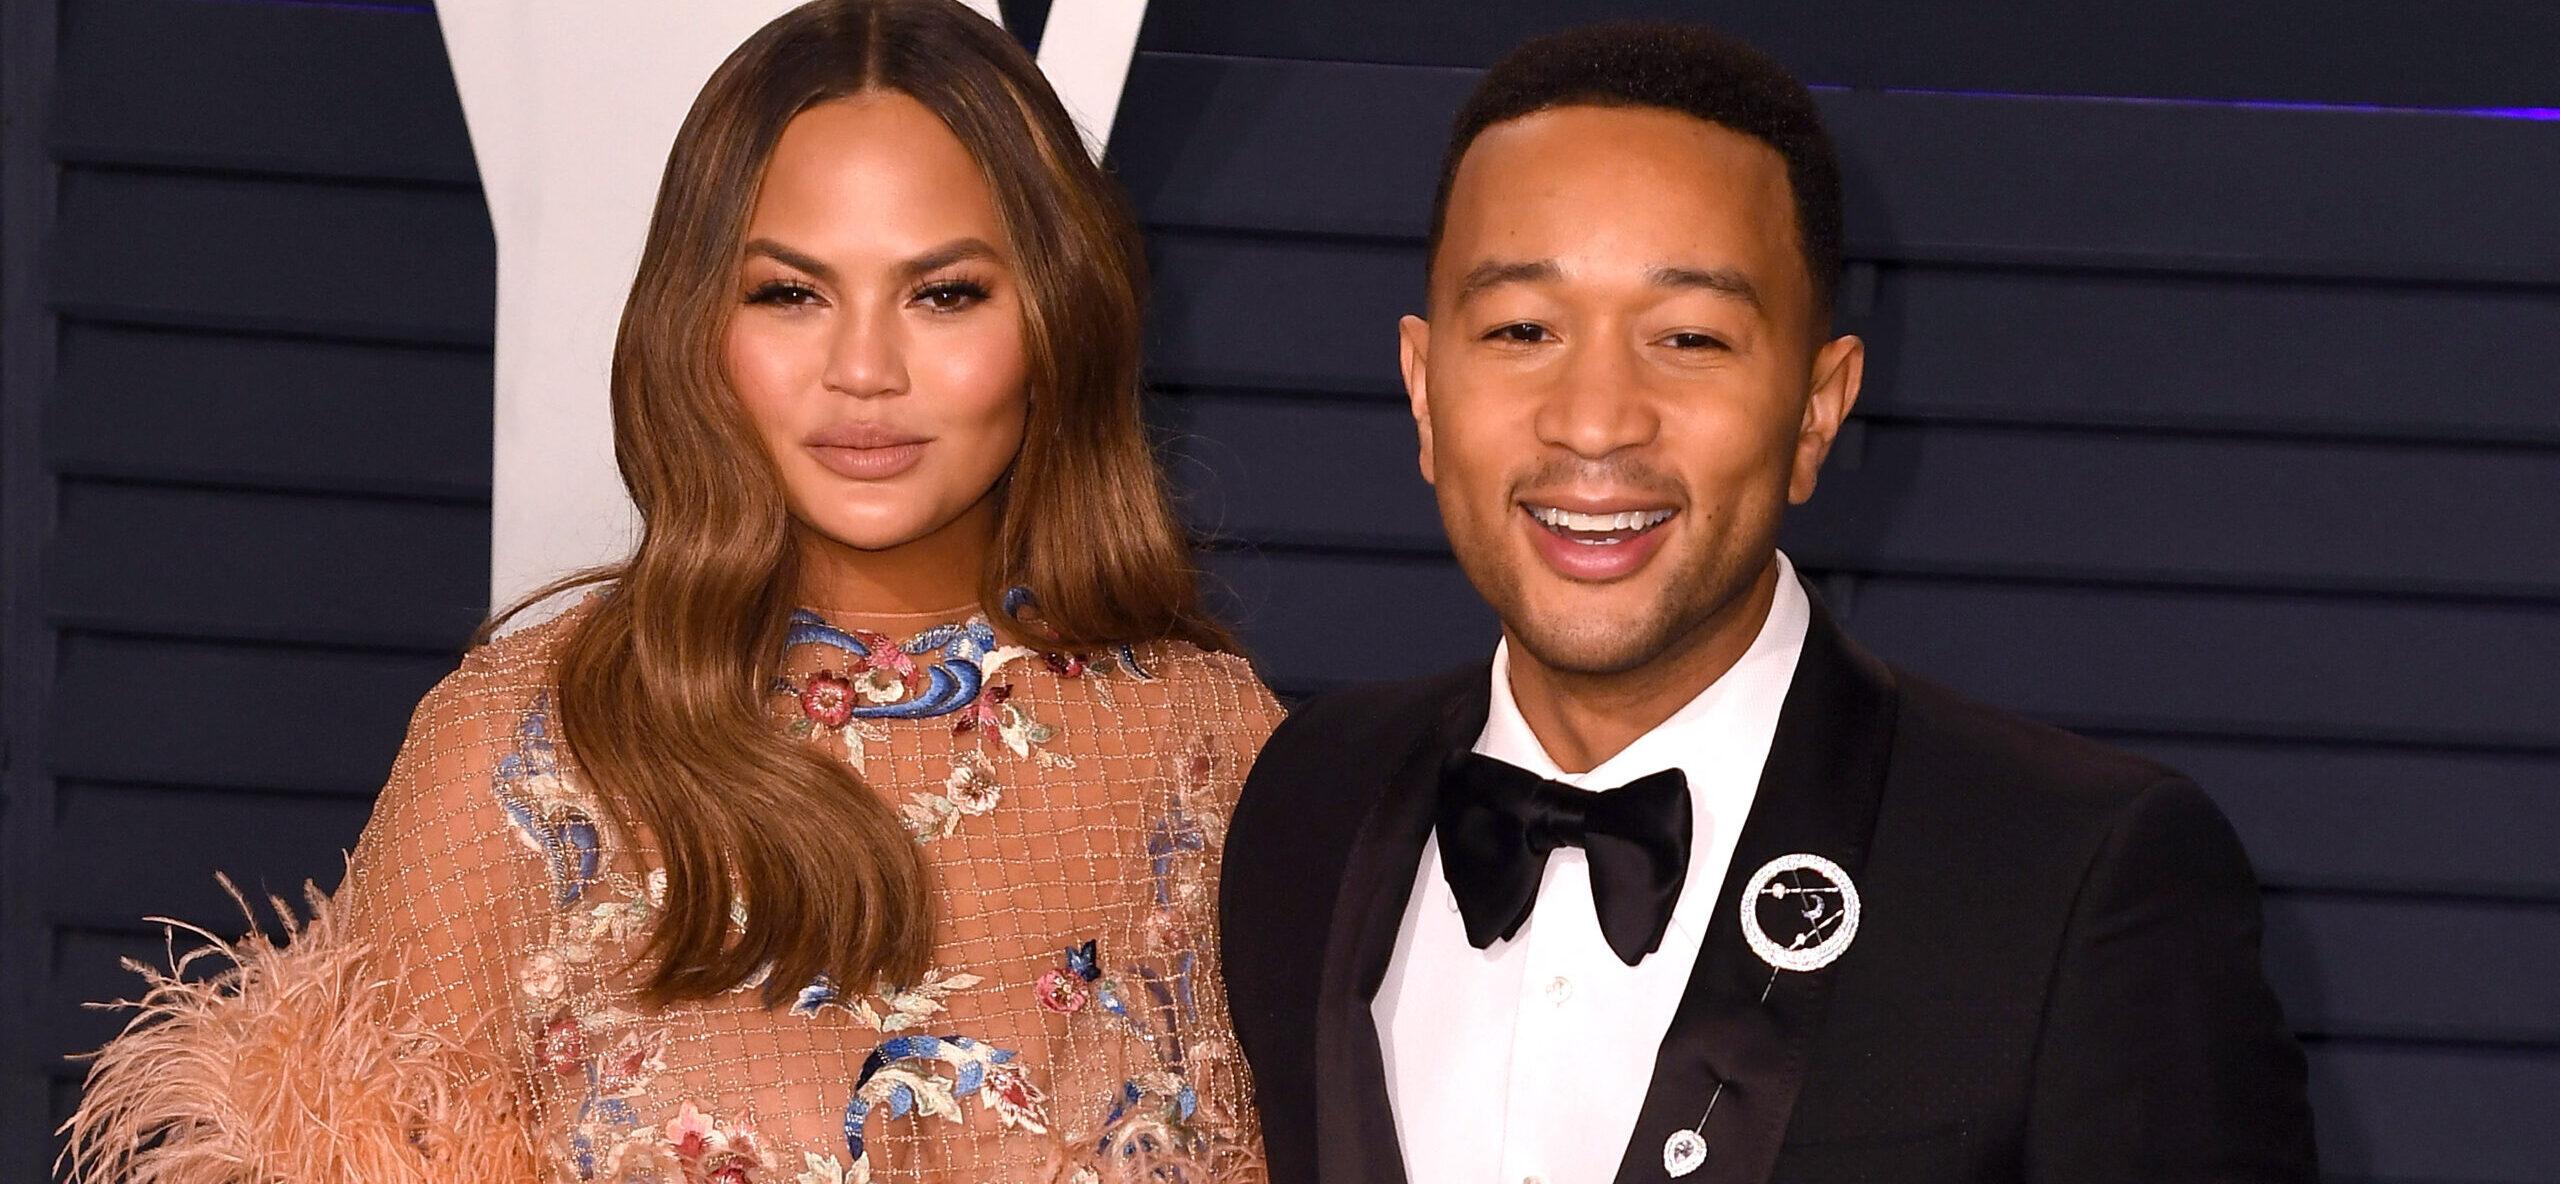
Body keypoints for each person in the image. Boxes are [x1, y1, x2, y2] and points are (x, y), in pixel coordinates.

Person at [62, 2, 1279, 1181]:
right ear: (697, 325)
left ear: (1058, 318)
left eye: (943, 292)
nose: (863, 369)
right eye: (788, 293)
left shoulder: (1215, 751)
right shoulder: (523, 751)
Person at [1220, 22, 2317, 1184]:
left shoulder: (2075, 875)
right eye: (1522, 330)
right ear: (1424, 388)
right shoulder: (1303, 800)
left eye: (1689, 337)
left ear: (1817, 406)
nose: (1594, 421)